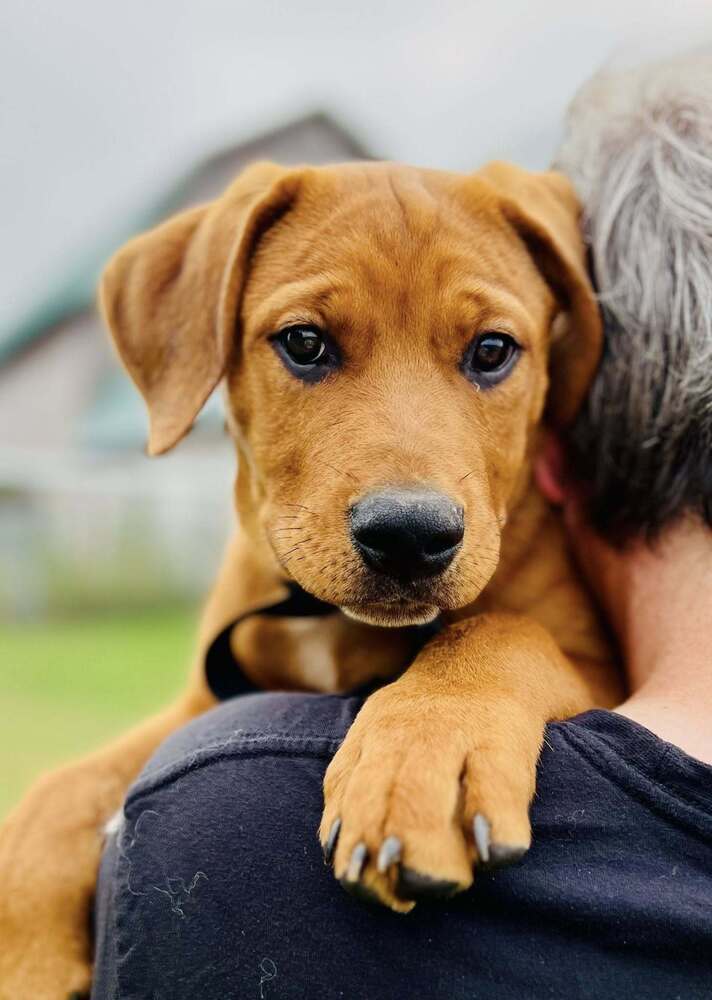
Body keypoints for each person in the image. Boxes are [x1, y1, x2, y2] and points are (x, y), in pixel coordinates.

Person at [91, 52, 712, 1000]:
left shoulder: (535, 546)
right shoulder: (265, 566)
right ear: (199, 343)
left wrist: (478, 676)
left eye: (489, 352)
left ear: (567, 354)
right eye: (308, 344)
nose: (411, 493)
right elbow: (195, 715)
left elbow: (596, 679)